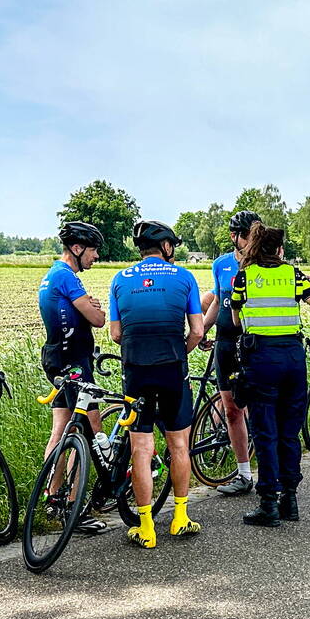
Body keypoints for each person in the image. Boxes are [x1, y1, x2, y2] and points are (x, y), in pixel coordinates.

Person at [109, 220, 204, 548]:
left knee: (141, 448)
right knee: (179, 445)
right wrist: (180, 350)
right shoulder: (185, 277)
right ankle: (180, 518)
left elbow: (116, 334)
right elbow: (197, 331)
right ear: (165, 246)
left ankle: (146, 527)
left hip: (135, 370)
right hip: (172, 368)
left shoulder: (119, 279)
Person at [229, 223, 310, 526]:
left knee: (265, 431)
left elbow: (236, 319)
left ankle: (268, 503)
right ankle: (290, 498)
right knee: (289, 430)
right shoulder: (293, 275)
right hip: (292, 357)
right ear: (280, 249)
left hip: (261, 358)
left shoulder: (244, 277)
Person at [37, 221, 108, 535]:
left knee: (60, 431)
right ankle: (75, 508)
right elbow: (99, 319)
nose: (95, 257)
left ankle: (53, 498)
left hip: (57, 358)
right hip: (75, 363)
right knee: (89, 431)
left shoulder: (53, 274)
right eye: (93, 251)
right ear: (77, 248)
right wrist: (91, 308)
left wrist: (86, 309)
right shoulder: (67, 278)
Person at [201, 210, 261, 495]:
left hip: (253, 344)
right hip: (225, 343)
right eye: (247, 235)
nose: (251, 240)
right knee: (231, 410)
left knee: (260, 407)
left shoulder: (265, 263)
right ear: (235, 237)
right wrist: (201, 329)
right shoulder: (221, 264)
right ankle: (244, 474)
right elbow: (217, 301)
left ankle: (273, 472)